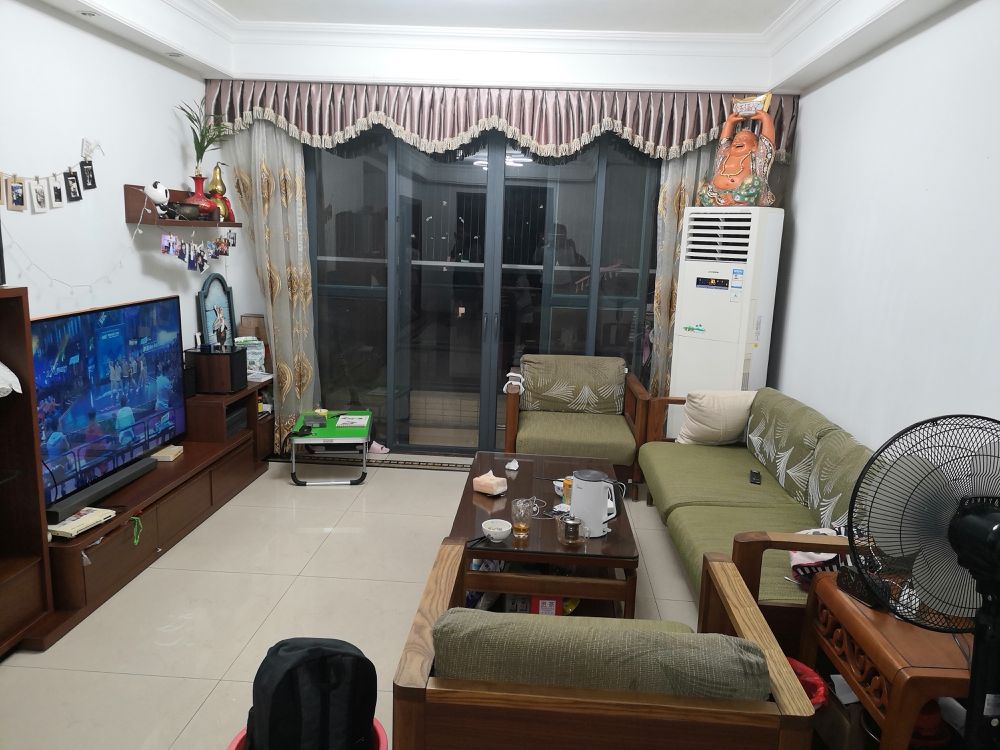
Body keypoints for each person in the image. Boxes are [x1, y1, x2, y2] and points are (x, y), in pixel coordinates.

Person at [698, 109, 776, 207]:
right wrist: (729, 123)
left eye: (744, 139)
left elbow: (767, 143)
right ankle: (720, 203)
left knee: (754, 181)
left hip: (741, 196)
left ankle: (734, 200)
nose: (737, 141)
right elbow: (723, 143)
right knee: (704, 189)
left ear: (754, 145)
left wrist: (766, 119)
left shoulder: (756, 156)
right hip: (717, 196)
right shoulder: (725, 154)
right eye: (736, 139)